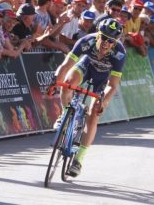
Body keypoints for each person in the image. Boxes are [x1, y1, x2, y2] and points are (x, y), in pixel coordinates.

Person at [53, 18, 126, 177]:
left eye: (111, 41)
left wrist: (103, 101)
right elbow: (65, 65)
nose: (106, 43)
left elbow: (112, 85)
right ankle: (65, 113)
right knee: (67, 82)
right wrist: (55, 80)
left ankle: (78, 160)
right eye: (104, 38)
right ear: (98, 35)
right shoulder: (86, 41)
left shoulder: (119, 53)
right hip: (86, 67)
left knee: (94, 115)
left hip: (103, 78)